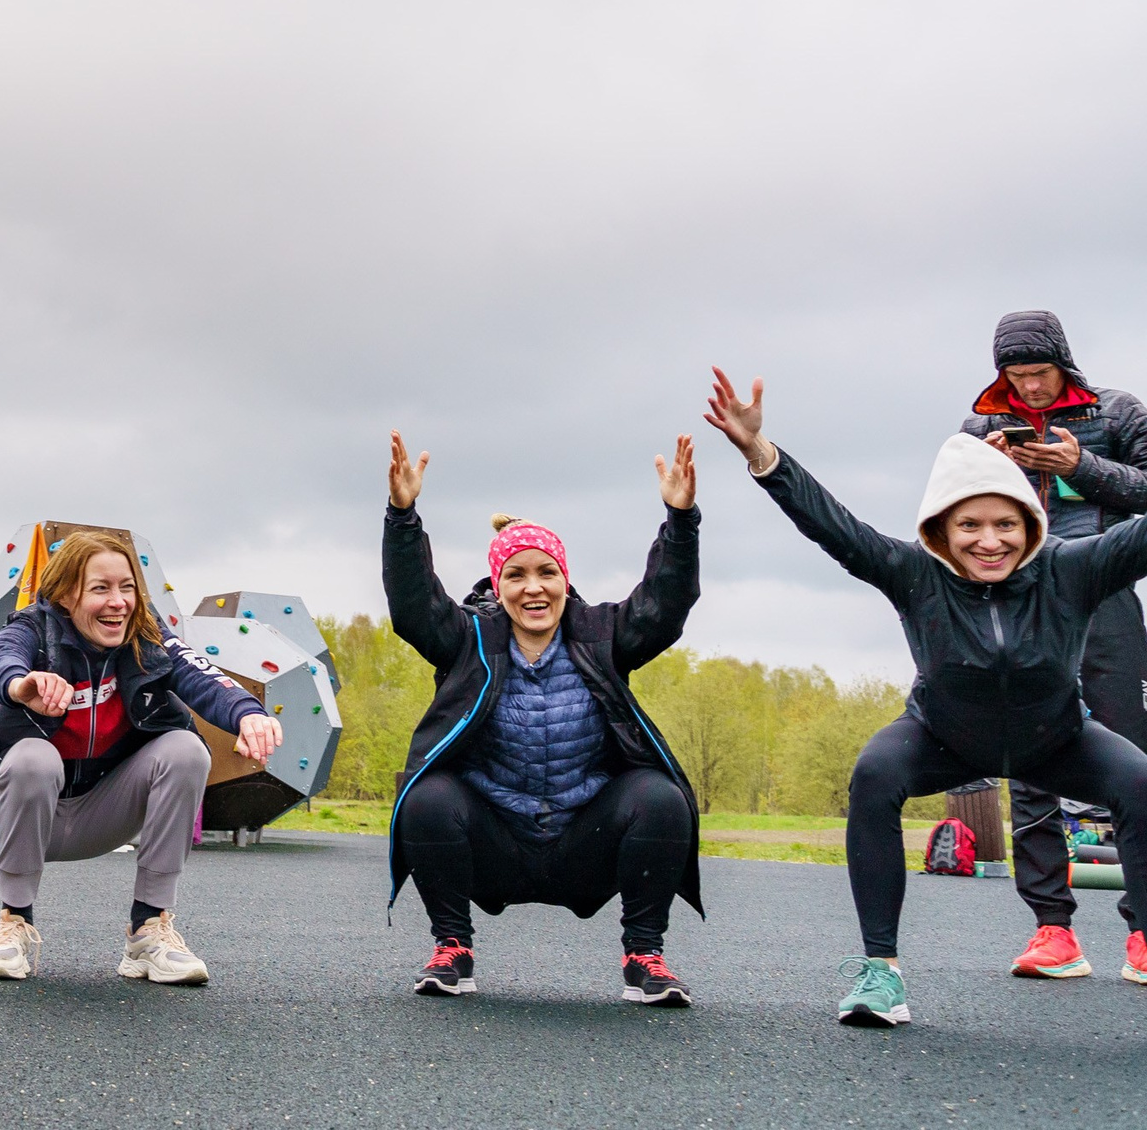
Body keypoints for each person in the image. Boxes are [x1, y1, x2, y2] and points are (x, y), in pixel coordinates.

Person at [707, 367, 1147, 1027]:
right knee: (876, 771)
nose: (990, 540)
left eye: (1005, 522)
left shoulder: (1072, 567)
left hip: (1056, 737)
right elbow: (835, 526)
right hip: (944, 736)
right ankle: (880, 972)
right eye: (969, 524)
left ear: (1028, 520)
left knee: (1139, 778)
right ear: (941, 528)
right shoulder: (915, 573)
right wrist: (761, 455)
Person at [381, 432, 703, 1009]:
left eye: (546, 573)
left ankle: (644, 957)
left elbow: (663, 606)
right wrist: (403, 517)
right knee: (425, 795)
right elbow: (413, 607)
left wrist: (680, 522)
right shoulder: (470, 640)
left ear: (564, 580)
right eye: (517, 575)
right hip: (494, 840)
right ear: (497, 586)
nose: (534, 587)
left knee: (662, 796)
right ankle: (451, 948)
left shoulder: (602, 634)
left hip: (586, 838)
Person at [0, 529, 280, 987]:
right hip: (12, 822)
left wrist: (248, 714)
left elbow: (201, 675)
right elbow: (1, 663)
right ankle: (13, 923)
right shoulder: (30, 627)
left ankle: (148, 932)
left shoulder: (147, 638)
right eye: (100, 588)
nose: (118, 602)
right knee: (32, 756)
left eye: (126, 588)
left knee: (186, 750)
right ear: (66, 594)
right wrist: (23, 687)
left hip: (103, 815)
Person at [960, 311, 1147, 981]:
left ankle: (1144, 932)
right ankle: (1052, 930)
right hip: (1020, 605)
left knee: (1133, 762)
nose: (1031, 388)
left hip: (1105, 598)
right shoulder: (979, 428)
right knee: (1031, 762)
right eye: (1017, 376)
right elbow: (950, 512)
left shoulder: (1119, 412)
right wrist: (991, 472)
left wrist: (1084, 465)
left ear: (1063, 363)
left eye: (1040, 373)